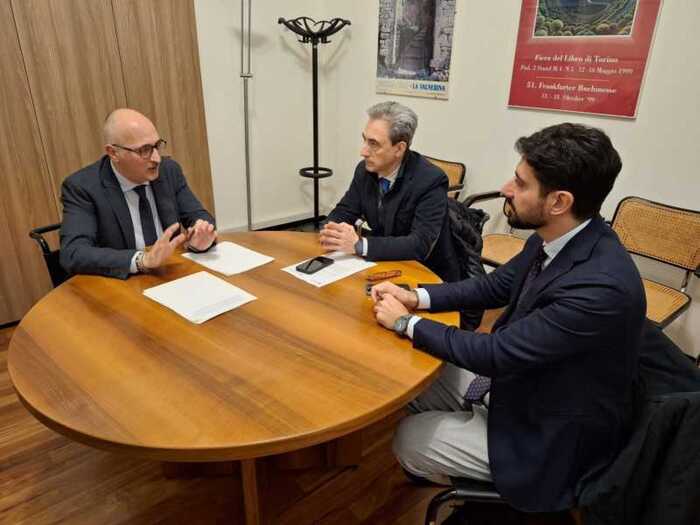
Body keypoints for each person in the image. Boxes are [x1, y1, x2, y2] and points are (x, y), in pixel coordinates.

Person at [370, 123, 646, 513]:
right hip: (521, 385)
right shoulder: (561, 237)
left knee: (408, 439)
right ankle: (463, 435)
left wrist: (405, 322)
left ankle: (481, 489)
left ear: (559, 201)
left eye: (520, 183)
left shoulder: (601, 288)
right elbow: (494, 286)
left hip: (547, 432)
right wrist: (416, 297)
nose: (505, 189)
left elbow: (497, 353)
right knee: (409, 373)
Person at [60, 108, 216, 279]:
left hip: (171, 274)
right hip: (121, 283)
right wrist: (142, 260)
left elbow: (199, 216)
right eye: (144, 150)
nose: (156, 158)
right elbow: (73, 253)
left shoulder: (169, 171)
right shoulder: (83, 187)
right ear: (113, 153)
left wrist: (200, 235)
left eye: (157, 146)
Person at [320, 101, 459, 283]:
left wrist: (359, 245)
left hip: (426, 273)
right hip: (382, 263)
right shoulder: (364, 170)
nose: (363, 151)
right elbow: (345, 210)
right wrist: (331, 230)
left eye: (374, 144)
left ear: (399, 148)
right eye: (364, 140)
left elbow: (419, 244)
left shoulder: (430, 180)